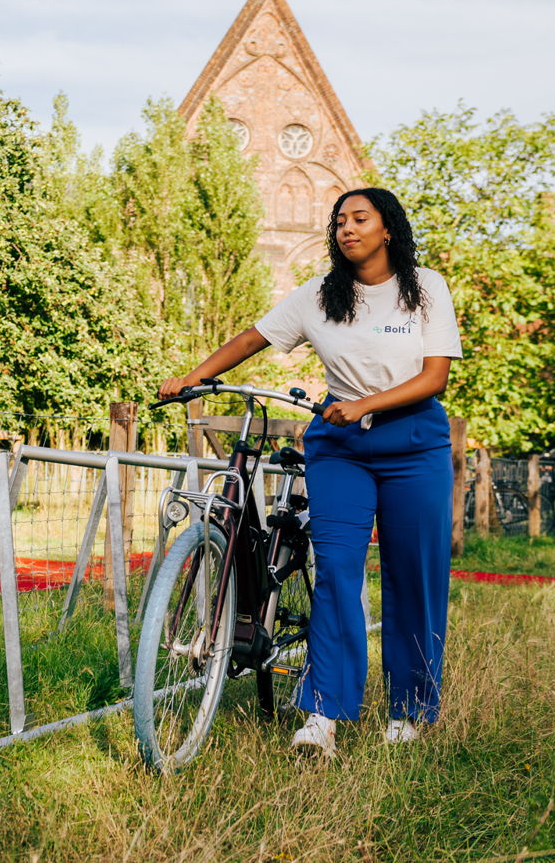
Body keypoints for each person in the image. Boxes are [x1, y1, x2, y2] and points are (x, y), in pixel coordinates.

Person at [158, 186, 461, 758]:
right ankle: (323, 712)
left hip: (414, 441)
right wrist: (192, 377)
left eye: (360, 218)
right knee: (336, 573)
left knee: (415, 575)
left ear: (387, 228)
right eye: (340, 221)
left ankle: (410, 709)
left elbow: (434, 377)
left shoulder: (425, 290)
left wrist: (369, 405)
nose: (347, 228)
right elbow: (254, 337)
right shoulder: (320, 296)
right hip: (340, 446)